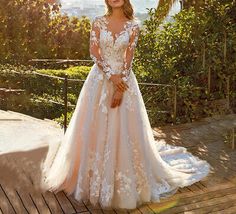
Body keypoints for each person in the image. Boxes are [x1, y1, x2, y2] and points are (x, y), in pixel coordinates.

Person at [40, 0, 211, 210]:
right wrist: (112, 77)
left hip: (124, 80)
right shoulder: (98, 22)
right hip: (99, 81)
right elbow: (95, 53)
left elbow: (129, 59)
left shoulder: (133, 25)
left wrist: (121, 88)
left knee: (123, 131)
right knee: (94, 128)